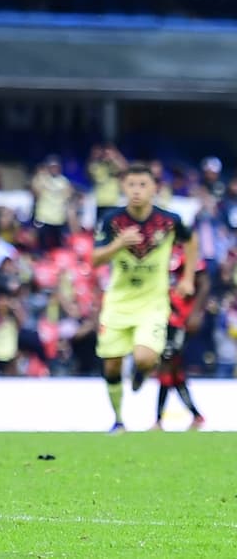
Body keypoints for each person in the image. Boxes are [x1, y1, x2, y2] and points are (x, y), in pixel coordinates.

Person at [91, 162, 195, 433]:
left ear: (154, 189)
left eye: (142, 185)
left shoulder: (170, 221)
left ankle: (142, 370)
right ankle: (118, 421)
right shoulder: (111, 221)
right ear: (123, 187)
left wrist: (188, 278)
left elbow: (191, 241)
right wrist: (118, 243)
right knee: (112, 366)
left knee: (145, 357)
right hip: (118, 303)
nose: (136, 191)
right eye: (131, 185)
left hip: (153, 303)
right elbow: (94, 259)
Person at [152, 246, 208, 430]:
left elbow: (204, 283)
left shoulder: (187, 252)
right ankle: (197, 416)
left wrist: (195, 314)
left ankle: (158, 421)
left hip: (180, 318)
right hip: (161, 316)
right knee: (174, 371)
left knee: (167, 363)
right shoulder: (157, 249)